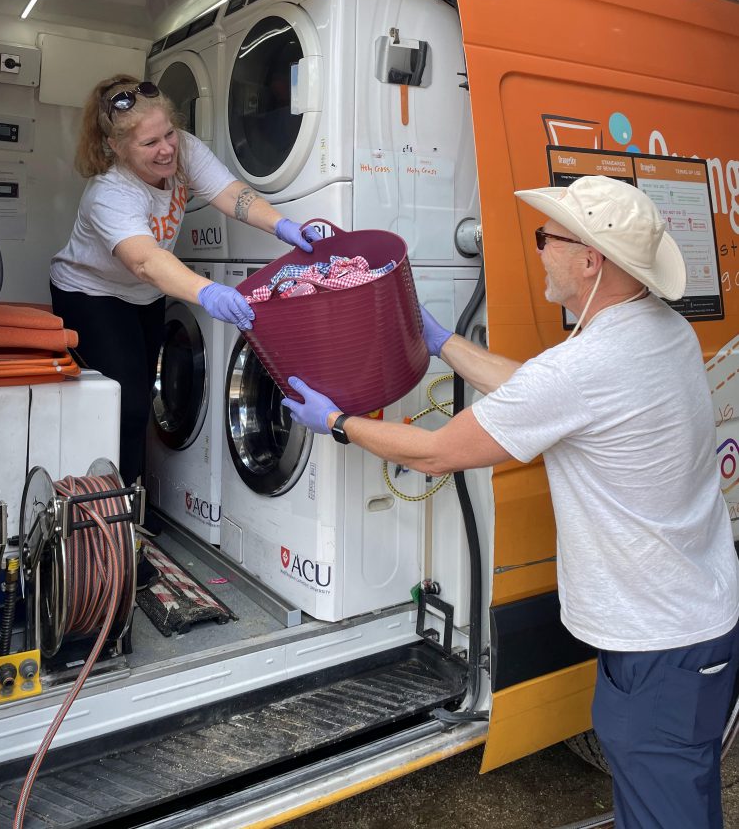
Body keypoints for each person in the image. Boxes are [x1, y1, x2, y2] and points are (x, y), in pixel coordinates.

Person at [282, 175, 739, 829]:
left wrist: (338, 424)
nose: (538, 249)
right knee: (670, 800)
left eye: (546, 238)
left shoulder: (592, 363)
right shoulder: (656, 329)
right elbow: (538, 391)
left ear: (590, 261)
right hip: (685, 623)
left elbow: (437, 452)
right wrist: (441, 342)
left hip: (663, 644)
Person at [50, 75, 321, 485]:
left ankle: (129, 502)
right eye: (150, 144)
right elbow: (145, 261)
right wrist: (208, 291)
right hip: (90, 293)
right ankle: (106, 514)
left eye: (169, 134)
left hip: (145, 294)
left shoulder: (184, 150)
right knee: (124, 405)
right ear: (115, 148)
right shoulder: (109, 193)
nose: (166, 149)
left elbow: (229, 194)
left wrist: (284, 226)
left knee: (140, 396)